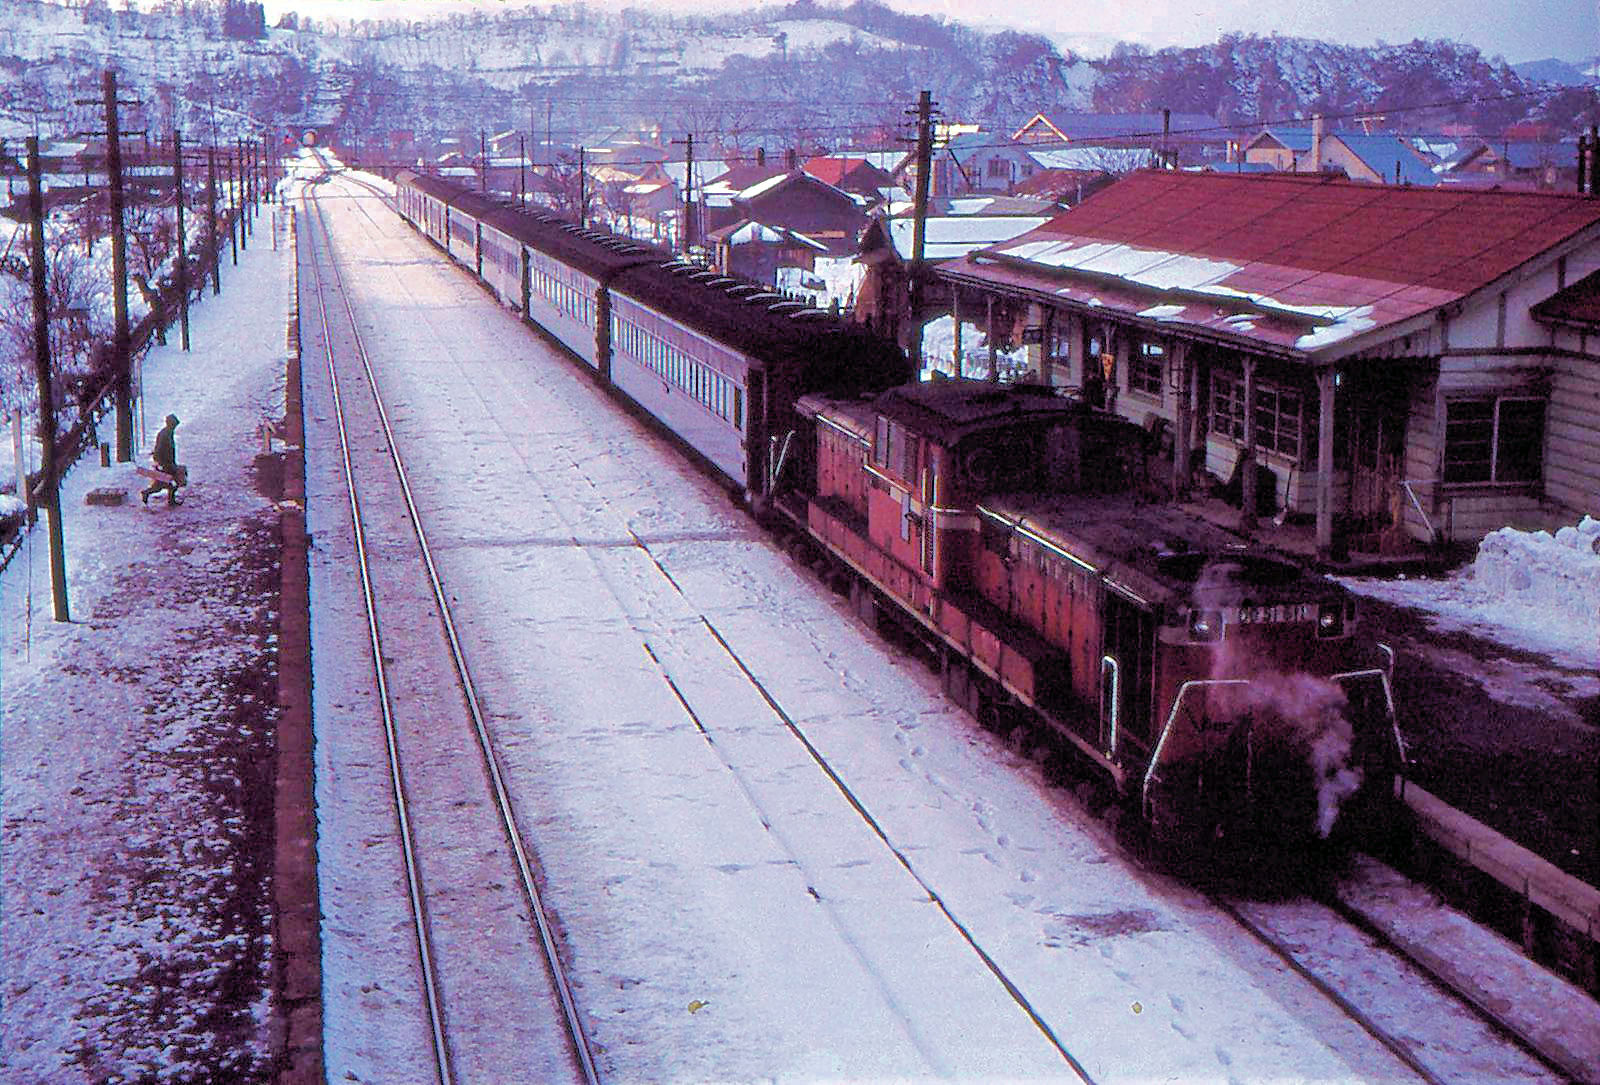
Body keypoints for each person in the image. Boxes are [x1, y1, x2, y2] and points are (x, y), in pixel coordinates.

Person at [141, 414, 187, 506]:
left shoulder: (168, 433)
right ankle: (148, 493)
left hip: (168, 463)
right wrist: (159, 463)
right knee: (170, 482)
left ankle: (168, 499)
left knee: (166, 483)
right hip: (165, 464)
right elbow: (159, 449)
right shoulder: (164, 434)